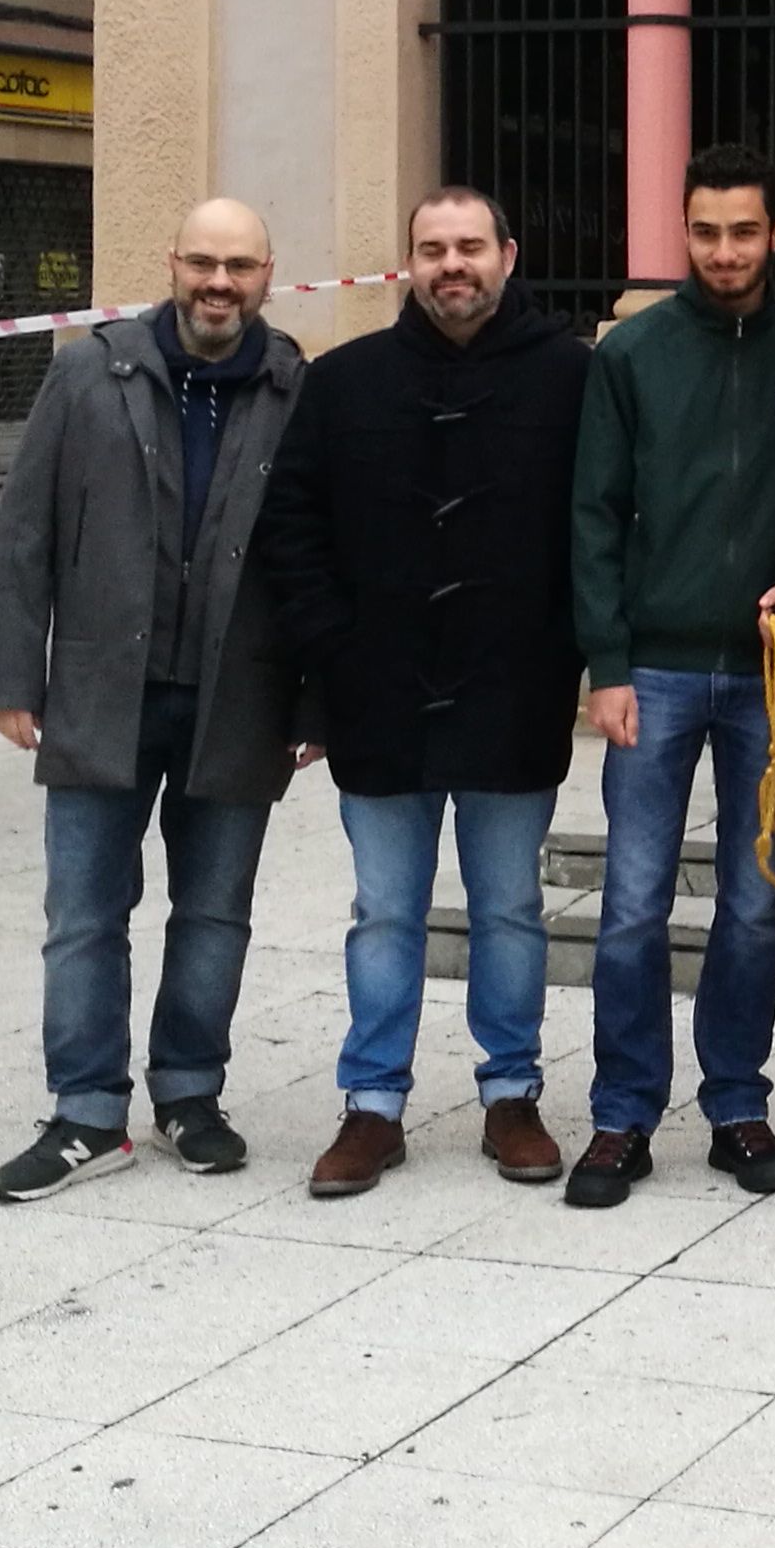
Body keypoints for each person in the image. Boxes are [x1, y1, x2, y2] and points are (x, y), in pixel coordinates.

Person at [257, 186, 588, 1202]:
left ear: (508, 253)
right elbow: (292, 529)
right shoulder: (343, 381)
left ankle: (512, 1093)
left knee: (511, 910)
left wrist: (569, 654)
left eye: (470, 247)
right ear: (408, 261)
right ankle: (372, 1105)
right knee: (384, 915)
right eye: (433, 248)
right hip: (379, 696)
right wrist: (333, 656)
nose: (453, 264)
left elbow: (602, 522)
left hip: (514, 692)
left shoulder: (574, 378)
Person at [0, 197, 309, 1200]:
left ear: (266, 273)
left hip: (238, 696)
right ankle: (85, 1112)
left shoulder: (296, 386)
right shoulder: (90, 370)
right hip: (95, 690)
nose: (218, 282)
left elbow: (323, 556)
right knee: (83, 912)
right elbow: (23, 527)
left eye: (238, 266)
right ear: (170, 263)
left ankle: (189, 1095)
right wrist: (6, 678)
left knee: (213, 914)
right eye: (202, 262)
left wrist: (315, 705)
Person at [567, 140, 775, 1208]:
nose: (723, 251)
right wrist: (605, 663)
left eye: (742, 232)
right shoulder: (631, 354)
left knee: (755, 909)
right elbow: (590, 515)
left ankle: (736, 1106)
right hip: (655, 671)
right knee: (629, 904)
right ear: (683, 232)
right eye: (705, 232)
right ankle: (622, 1115)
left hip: (771, 674)